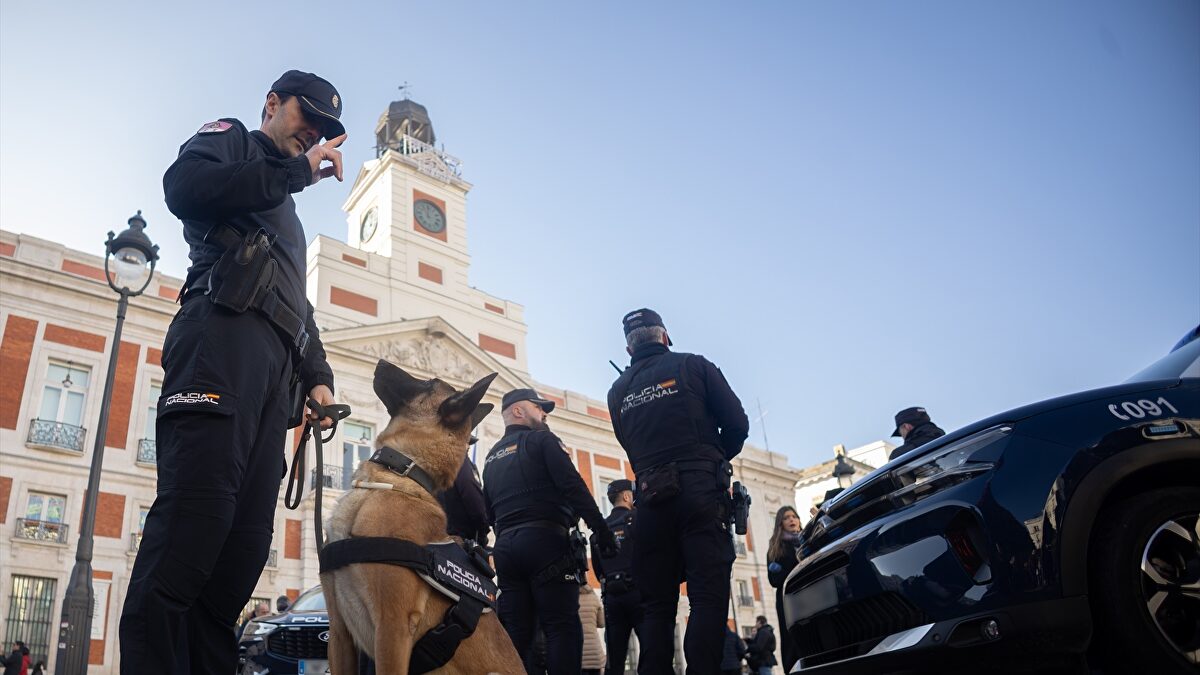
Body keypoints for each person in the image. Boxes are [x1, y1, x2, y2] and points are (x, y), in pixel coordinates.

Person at [119, 70, 345, 675]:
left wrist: (318, 376)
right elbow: (184, 186)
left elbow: (298, 303)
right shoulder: (232, 140)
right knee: (193, 528)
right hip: (220, 341)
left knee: (241, 553)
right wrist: (295, 173)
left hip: (276, 381)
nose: (314, 133)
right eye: (307, 116)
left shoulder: (288, 216)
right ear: (272, 103)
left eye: (325, 128)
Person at [607, 308, 749, 674]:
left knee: (656, 607)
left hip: (650, 504)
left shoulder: (617, 391)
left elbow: (629, 446)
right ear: (665, 336)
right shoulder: (694, 365)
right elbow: (737, 424)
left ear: (628, 349)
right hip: (700, 494)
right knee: (707, 599)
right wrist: (712, 458)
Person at [482, 388, 618, 674]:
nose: (544, 413)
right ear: (518, 411)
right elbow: (573, 486)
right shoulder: (543, 440)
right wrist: (601, 530)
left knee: (518, 633)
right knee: (562, 627)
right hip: (546, 543)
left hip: (507, 548)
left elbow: (488, 512)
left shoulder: (491, 457)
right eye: (538, 407)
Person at [590, 479, 643, 675]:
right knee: (651, 649)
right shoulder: (637, 519)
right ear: (627, 496)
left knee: (615, 657)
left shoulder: (600, 529)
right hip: (639, 594)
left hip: (612, 597)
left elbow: (598, 570)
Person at [766, 506, 802, 671]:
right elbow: (774, 580)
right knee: (792, 638)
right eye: (786, 517)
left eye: (794, 516)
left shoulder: (808, 538)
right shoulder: (776, 547)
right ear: (780, 523)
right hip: (789, 598)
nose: (791, 519)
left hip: (813, 593)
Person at [437, 433, 491, 544]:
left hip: (437, 535)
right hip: (460, 538)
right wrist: (482, 530)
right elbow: (473, 497)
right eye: (467, 442)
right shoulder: (459, 459)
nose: (468, 447)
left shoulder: (435, 462)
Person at [578, 581, 606, 675]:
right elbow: (602, 623)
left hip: (578, 651)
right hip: (594, 651)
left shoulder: (570, 599)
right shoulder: (594, 597)